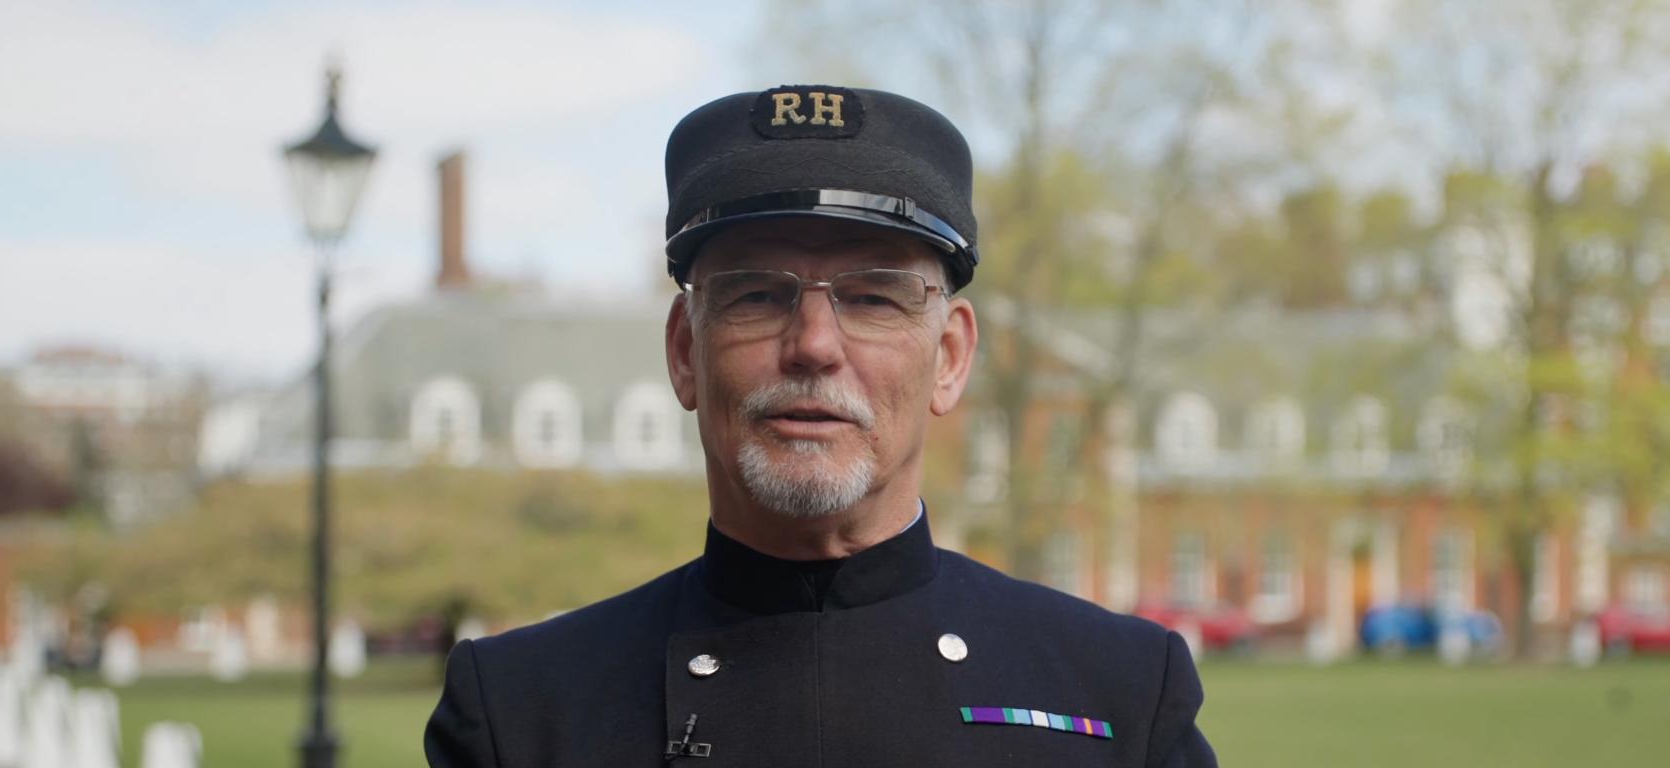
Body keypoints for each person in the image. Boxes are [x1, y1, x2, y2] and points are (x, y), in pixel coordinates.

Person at [424, 85, 1215, 767]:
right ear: (683, 353)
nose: (813, 345)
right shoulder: (522, 715)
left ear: (949, 356)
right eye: (757, 294)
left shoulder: (1122, 694)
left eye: (873, 296)